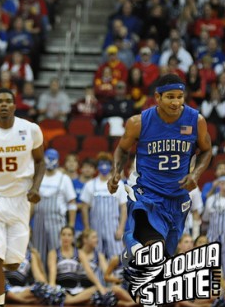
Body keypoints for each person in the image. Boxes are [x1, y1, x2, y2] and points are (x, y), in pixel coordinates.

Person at [108, 74, 212, 269]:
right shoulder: (138, 122)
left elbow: (206, 151)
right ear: (158, 97)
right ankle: (131, 240)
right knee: (154, 248)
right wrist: (116, 172)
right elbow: (122, 149)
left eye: (179, 97)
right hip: (147, 193)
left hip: (177, 197)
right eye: (170, 97)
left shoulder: (196, 120)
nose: (176, 102)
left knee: (165, 259)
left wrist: (195, 174)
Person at [0, 88, 45, 307]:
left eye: (8, 101)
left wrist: (35, 187)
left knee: (13, 263)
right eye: (0, 101)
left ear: (15, 106)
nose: (5, 104)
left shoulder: (30, 129)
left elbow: (40, 162)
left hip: (20, 201)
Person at [31, 149, 77, 268]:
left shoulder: (63, 178)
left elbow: (72, 203)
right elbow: (31, 202)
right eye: (48, 158)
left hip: (57, 222)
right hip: (38, 221)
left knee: (57, 252)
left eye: (53, 158)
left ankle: (57, 280)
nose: (50, 161)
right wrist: (27, 222)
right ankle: (42, 281)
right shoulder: (37, 177)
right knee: (38, 252)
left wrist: (71, 224)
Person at [81, 152, 127, 260]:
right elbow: (84, 208)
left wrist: (121, 228)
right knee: (96, 257)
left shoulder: (119, 185)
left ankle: (116, 277)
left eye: (107, 164)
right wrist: (87, 228)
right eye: (102, 164)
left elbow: (124, 208)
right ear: (97, 166)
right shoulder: (90, 184)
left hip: (113, 229)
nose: (104, 167)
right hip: (95, 230)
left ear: (111, 166)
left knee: (116, 258)